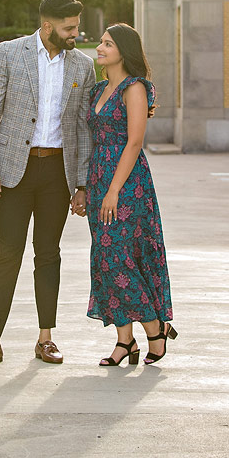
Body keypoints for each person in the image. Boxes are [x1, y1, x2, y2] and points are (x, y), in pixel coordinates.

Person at [0, 0, 96, 367]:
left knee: (48, 254)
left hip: (58, 173)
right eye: (69, 27)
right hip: (12, 171)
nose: (75, 33)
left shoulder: (83, 66)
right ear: (47, 26)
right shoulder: (10, 53)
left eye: (76, 26)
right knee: (7, 253)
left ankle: (46, 339)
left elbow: (83, 128)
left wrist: (83, 183)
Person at [83, 23, 176, 366]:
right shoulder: (97, 90)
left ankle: (154, 328)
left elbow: (135, 142)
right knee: (104, 261)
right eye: (101, 42)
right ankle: (125, 341)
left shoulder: (133, 88)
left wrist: (113, 191)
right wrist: (87, 188)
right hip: (98, 179)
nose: (100, 48)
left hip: (127, 184)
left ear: (124, 50)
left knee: (121, 257)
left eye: (108, 43)